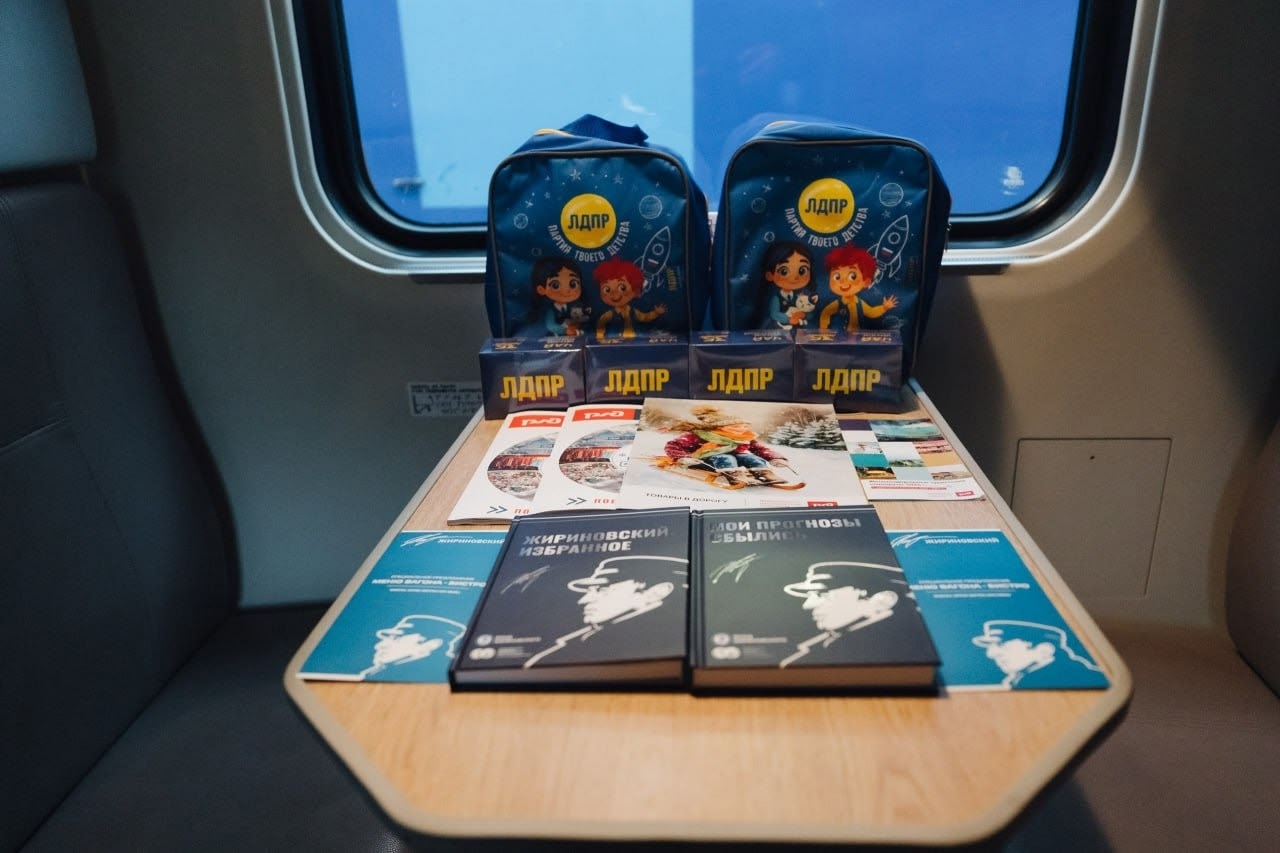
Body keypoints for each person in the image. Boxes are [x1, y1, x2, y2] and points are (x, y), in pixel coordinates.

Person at [523, 555, 688, 668]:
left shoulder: (657, 642)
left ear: (656, 592)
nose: (583, 600)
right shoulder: (582, 642)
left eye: (602, 590)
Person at [778, 561, 903, 668]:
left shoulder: (874, 657)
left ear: (880, 602)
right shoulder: (814, 649)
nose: (808, 605)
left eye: (826, 596)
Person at [660, 404, 794, 487]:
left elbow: (760, 449)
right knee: (726, 457)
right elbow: (673, 445)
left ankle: (764, 473)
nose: (742, 429)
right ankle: (734, 476)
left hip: (731, 460)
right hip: (703, 461)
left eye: (744, 426)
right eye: (736, 426)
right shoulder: (700, 435)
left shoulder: (744, 437)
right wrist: (683, 457)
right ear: (721, 427)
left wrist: (775, 458)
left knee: (750, 457)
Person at [971, 619, 1104, 688]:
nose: (991, 654)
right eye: (991, 647)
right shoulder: (1021, 679)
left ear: (1044, 650)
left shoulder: (1076, 679)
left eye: (1003, 645)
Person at [818, 244, 898, 332]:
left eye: (852, 276)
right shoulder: (838, 304)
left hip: (857, 336)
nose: (843, 281)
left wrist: (884, 308)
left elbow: (871, 312)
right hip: (840, 336)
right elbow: (826, 313)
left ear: (866, 282)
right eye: (837, 277)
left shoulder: (859, 304)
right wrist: (823, 330)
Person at [592, 257, 666, 339]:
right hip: (615, 341)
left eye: (622, 288)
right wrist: (600, 337)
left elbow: (644, 317)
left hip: (632, 341)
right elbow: (601, 322)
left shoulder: (632, 312)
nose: (615, 294)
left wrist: (656, 313)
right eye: (607, 289)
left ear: (635, 290)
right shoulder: (610, 315)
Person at [760, 241, 818, 329]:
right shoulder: (776, 298)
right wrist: (789, 319)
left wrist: (803, 315)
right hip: (779, 327)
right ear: (770, 275)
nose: (794, 277)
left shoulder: (804, 294)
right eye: (784, 271)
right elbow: (774, 314)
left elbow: (811, 312)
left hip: (801, 328)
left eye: (802, 270)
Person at [531, 256, 590, 336]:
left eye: (573, 284)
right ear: (541, 290)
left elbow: (581, 320)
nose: (566, 290)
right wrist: (565, 330)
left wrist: (578, 324)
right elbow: (551, 326)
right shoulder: (551, 310)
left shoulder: (575, 306)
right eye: (555, 285)